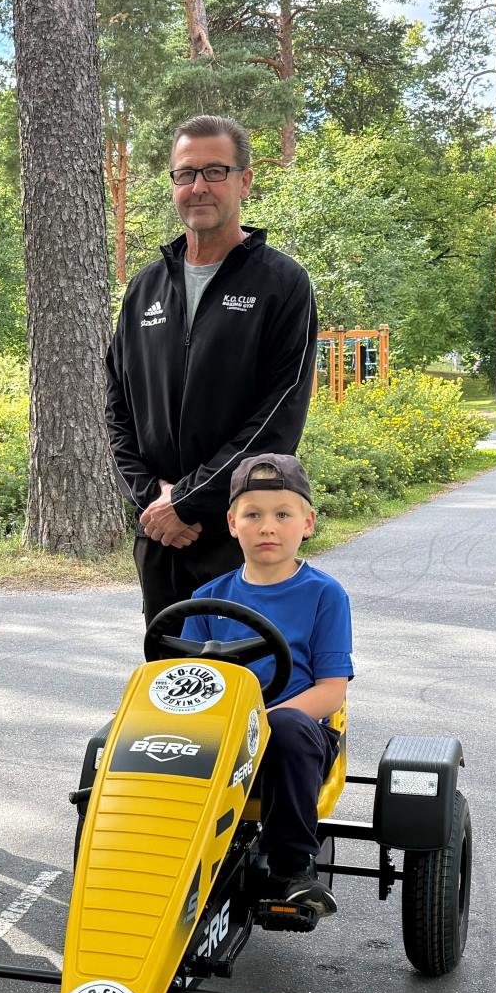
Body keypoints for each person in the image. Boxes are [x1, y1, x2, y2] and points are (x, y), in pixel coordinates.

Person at [106, 113, 319, 623]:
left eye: (215, 171)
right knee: (168, 683)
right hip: (159, 536)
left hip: (239, 534)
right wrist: (155, 502)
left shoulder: (282, 285)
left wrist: (187, 500)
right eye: (186, 173)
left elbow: (278, 417)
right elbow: (117, 407)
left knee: (244, 687)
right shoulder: (145, 289)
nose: (199, 186)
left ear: (244, 180)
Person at [178, 453, 350, 921]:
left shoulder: (324, 595)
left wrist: (262, 723)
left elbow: (332, 690)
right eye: (253, 514)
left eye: (282, 514)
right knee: (120, 739)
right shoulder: (206, 598)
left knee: (291, 728)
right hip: (219, 733)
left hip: (298, 733)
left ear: (307, 523)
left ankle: (293, 867)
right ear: (233, 523)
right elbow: (188, 681)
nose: (267, 526)